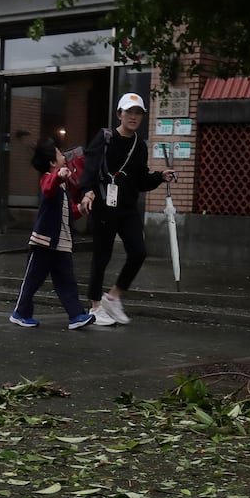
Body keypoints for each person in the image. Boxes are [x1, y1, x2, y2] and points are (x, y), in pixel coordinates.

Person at [77, 92, 177, 327]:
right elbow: (90, 167)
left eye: (138, 113)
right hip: (104, 205)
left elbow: (141, 180)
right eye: (129, 112)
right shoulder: (105, 138)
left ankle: (113, 297)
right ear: (119, 114)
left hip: (127, 208)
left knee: (138, 252)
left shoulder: (139, 145)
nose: (133, 117)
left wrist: (160, 176)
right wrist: (87, 191)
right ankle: (95, 307)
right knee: (102, 256)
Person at [9, 138, 96, 331]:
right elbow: (49, 185)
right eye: (59, 153)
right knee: (32, 280)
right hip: (44, 242)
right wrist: (59, 176)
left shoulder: (63, 187)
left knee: (67, 281)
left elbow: (69, 211)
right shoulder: (49, 181)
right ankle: (20, 313)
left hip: (62, 243)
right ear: (52, 163)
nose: (63, 156)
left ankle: (76, 315)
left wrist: (81, 209)